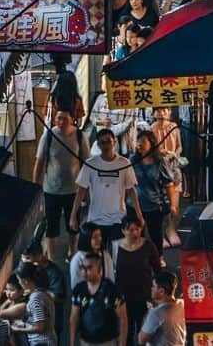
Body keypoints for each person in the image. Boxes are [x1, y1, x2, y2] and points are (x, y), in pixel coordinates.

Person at [33, 108, 89, 259]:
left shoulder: (79, 136)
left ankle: (72, 250)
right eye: (58, 118)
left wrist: (87, 188)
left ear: (72, 119)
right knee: (51, 226)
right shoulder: (49, 135)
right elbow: (39, 162)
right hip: (52, 189)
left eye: (64, 118)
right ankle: (51, 258)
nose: (61, 122)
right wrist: (35, 186)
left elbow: (86, 162)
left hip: (74, 190)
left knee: (73, 225)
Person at [71, 128, 143, 245]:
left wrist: (139, 214)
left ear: (114, 142)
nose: (106, 145)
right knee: (98, 255)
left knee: (116, 254)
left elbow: (131, 190)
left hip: (118, 218)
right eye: (102, 142)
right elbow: (81, 191)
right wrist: (73, 216)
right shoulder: (90, 164)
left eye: (108, 141)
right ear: (98, 145)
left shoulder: (124, 163)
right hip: (96, 218)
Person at [112, 214, 163, 340]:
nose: (135, 233)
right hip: (123, 298)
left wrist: (157, 296)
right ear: (123, 231)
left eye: (137, 229)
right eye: (130, 230)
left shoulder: (149, 247)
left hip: (144, 296)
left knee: (144, 331)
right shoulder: (114, 247)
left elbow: (158, 271)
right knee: (125, 332)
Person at [130, 132, 178, 252]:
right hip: (134, 205)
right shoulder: (133, 160)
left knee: (155, 234)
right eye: (138, 141)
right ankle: (140, 261)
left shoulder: (160, 161)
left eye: (143, 142)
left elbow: (168, 184)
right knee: (136, 235)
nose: (139, 144)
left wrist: (173, 205)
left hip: (154, 204)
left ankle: (158, 257)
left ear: (152, 143)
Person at [70, 251, 128, 346]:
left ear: (99, 269)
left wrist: (122, 344)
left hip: (107, 342)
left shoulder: (111, 290)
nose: (84, 272)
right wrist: (72, 343)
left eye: (89, 268)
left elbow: (123, 319)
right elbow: (74, 317)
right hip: (85, 341)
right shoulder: (79, 289)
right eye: (82, 268)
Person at [8, 263, 57, 346]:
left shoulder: (35, 298)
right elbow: (40, 320)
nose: (19, 283)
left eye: (19, 280)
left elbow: (40, 327)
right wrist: (23, 324)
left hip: (42, 342)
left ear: (25, 281)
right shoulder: (42, 292)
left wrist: (18, 330)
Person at [138, 272, 185, 346]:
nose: (151, 288)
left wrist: (149, 312)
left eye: (153, 286)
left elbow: (141, 339)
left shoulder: (156, 313)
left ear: (161, 291)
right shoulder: (182, 304)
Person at [69, 226, 114, 293]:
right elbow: (76, 285)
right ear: (86, 239)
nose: (99, 239)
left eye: (99, 235)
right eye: (95, 237)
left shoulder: (105, 255)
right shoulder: (77, 259)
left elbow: (111, 278)